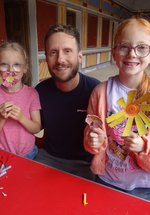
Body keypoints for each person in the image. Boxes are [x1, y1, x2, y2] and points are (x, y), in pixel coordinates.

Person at [84, 17, 150, 200]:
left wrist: (145, 145)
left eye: (142, 48)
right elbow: (92, 130)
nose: (132, 54)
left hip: (144, 185)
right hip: (108, 178)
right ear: (114, 52)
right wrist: (92, 140)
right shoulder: (100, 92)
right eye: (124, 47)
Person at [35, 24, 100, 180]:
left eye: (67, 51)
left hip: (85, 163)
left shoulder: (96, 90)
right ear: (46, 58)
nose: (60, 60)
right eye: (53, 53)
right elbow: (34, 128)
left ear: (79, 56)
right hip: (48, 158)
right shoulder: (40, 91)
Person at [0, 42, 41, 159]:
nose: (10, 70)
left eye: (17, 65)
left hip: (28, 153)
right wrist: (2, 117)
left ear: (25, 68)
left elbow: (36, 128)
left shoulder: (32, 94)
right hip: (3, 154)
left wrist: (21, 118)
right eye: (4, 64)